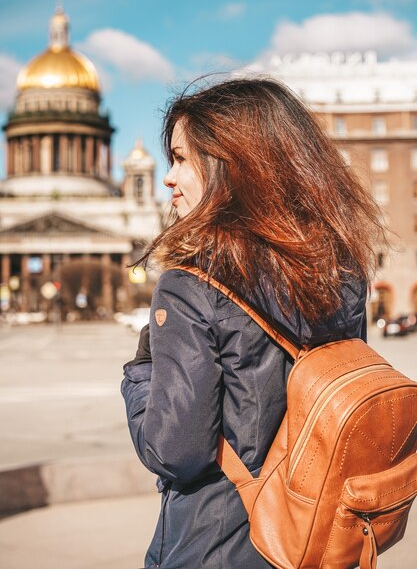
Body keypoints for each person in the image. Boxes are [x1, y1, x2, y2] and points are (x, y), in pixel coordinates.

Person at [121, 77, 386, 569]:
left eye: (180, 158)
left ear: (230, 165)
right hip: (322, 537)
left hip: (217, 542)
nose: (168, 178)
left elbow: (175, 451)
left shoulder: (192, 283)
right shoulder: (342, 272)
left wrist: (139, 374)